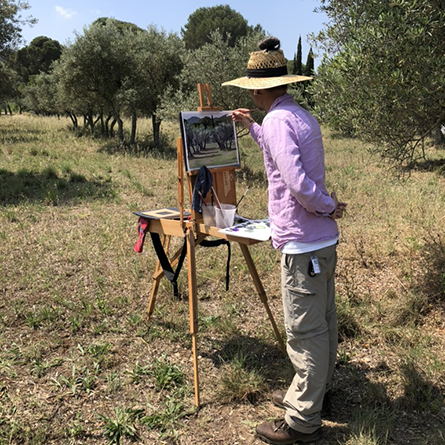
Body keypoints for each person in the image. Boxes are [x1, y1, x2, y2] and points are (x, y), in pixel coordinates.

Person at [222, 37, 347, 444]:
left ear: (258, 89)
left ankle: (301, 422)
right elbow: (282, 157)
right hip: (320, 244)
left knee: (305, 333)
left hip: (302, 244)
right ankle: (313, 395)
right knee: (323, 324)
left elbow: (296, 183)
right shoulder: (294, 115)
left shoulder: (277, 121)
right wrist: (252, 129)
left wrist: (327, 205)